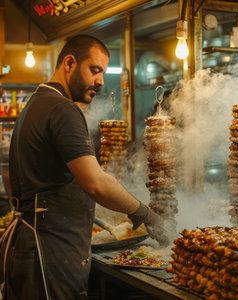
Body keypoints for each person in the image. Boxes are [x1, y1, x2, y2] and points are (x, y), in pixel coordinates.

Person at [0, 34, 167, 300]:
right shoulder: (62, 109)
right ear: (69, 63)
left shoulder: (37, 102)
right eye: (95, 70)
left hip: (33, 246)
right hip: (50, 253)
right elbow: (95, 183)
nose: (100, 81)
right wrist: (143, 214)